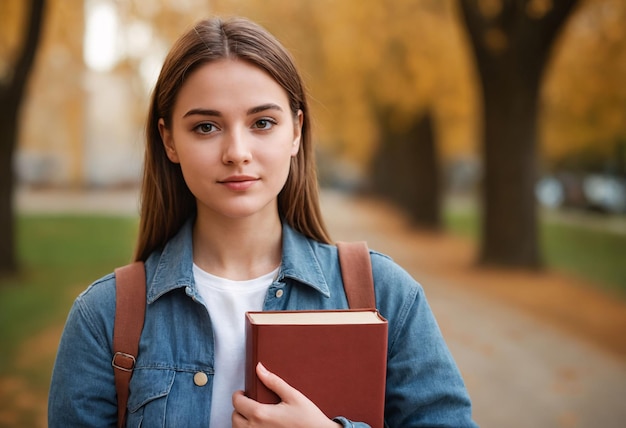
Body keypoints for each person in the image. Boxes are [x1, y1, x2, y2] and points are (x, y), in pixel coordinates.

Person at [48, 16, 477, 428]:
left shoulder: (383, 294)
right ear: (168, 140)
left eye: (263, 123)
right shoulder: (103, 318)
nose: (237, 151)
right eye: (206, 127)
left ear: (295, 131)